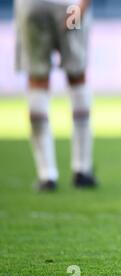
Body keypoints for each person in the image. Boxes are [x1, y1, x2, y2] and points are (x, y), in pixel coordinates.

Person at [15, 0, 97, 191]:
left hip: (32, 7)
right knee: (77, 75)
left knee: (37, 78)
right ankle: (82, 169)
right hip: (70, 6)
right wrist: (82, 6)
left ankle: (46, 174)